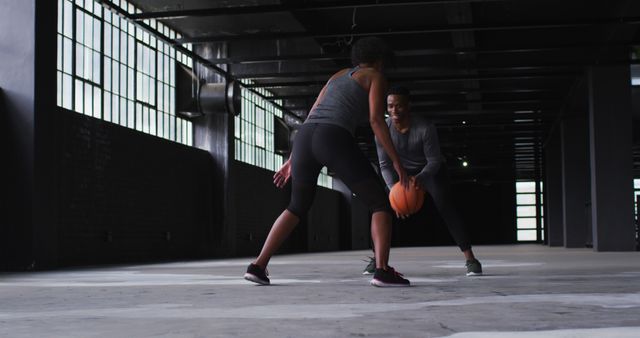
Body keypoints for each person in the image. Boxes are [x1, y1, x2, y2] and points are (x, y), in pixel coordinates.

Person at [244, 37, 411, 287]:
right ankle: (382, 270)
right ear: (379, 61)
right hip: (332, 136)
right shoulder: (375, 77)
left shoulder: (338, 75)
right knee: (379, 204)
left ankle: (258, 265)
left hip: (305, 136)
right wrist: (397, 162)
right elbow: (377, 120)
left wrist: (291, 160)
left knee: (296, 206)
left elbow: (313, 111)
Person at [362, 85, 483, 276]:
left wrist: (419, 179)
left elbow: (434, 160)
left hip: (429, 172)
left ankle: (471, 258)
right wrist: (394, 189)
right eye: (390, 106)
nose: (394, 111)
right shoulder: (382, 132)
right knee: (381, 207)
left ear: (409, 106)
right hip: (400, 174)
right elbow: (384, 165)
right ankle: (377, 259)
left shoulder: (425, 128)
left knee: (446, 206)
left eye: (399, 106)